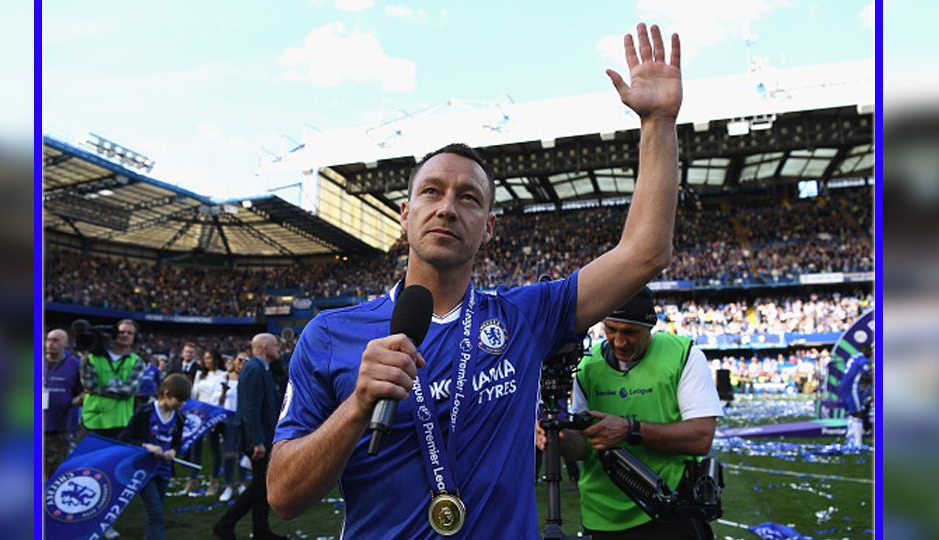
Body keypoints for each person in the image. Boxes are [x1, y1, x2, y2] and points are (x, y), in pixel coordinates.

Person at [269, 23, 683, 538]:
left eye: (467, 198)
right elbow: (283, 497)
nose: (446, 208)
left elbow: (644, 254)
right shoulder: (330, 336)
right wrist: (355, 407)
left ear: (487, 226)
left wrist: (658, 124)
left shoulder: (527, 317)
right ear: (404, 214)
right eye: (432, 193)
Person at [536, 288, 723, 539]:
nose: (619, 341)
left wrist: (630, 429)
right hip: (602, 516)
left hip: (669, 509)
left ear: (650, 326)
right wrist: (558, 439)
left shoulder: (683, 354)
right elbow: (583, 446)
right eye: (611, 329)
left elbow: (701, 438)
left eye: (630, 332)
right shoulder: (587, 366)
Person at [212, 335, 286, 540]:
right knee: (261, 485)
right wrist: (257, 441)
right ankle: (226, 524)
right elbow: (251, 409)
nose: (279, 348)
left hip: (261, 436)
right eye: (275, 345)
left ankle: (260, 529)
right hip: (256, 439)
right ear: (264, 348)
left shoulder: (261, 368)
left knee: (262, 486)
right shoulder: (254, 369)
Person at [119, 374, 192, 540]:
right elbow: (125, 438)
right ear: (166, 394)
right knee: (157, 515)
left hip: (164, 471)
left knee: (153, 514)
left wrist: (173, 451)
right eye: (179, 400)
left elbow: (177, 443)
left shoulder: (179, 417)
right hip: (145, 471)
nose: (182, 404)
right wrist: (146, 446)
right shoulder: (145, 412)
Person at [79, 319, 146, 440]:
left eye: (129, 333)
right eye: (121, 332)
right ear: (114, 334)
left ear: (135, 338)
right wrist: (84, 359)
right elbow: (88, 384)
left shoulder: (137, 362)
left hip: (120, 422)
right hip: (92, 419)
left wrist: (97, 389)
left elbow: (128, 391)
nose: (125, 335)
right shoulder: (93, 357)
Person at [183, 348, 227, 496]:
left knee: (214, 448)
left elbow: (217, 395)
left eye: (209, 358)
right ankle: (192, 479)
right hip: (197, 414)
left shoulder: (223, 374)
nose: (206, 361)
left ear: (215, 359)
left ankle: (214, 480)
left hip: (212, 414)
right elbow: (194, 393)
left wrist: (207, 410)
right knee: (196, 448)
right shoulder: (199, 374)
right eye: (205, 358)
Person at [44, 328, 83, 479]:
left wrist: (76, 400)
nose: (50, 343)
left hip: (59, 429)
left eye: (56, 340)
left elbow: (82, 391)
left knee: (54, 473)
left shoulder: (75, 365)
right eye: (48, 340)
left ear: (66, 343)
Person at [218, 352, 249, 502]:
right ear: (235, 361)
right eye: (240, 360)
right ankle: (228, 485)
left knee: (244, 452)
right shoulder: (226, 377)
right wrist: (224, 391)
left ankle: (242, 483)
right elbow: (220, 401)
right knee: (229, 454)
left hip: (244, 418)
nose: (242, 363)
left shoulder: (249, 377)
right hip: (229, 418)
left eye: (245, 360)